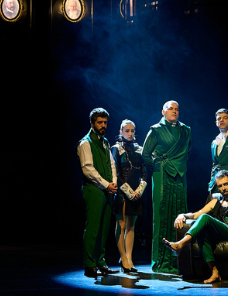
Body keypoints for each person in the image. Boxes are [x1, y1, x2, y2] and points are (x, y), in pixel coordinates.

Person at [163, 170, 228, 284]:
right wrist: (182, 215)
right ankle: (214, 272)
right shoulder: (215, 202)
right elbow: (196, 214)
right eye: (220, 186)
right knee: (201, 230)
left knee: (205, 218)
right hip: (218, 232)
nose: (223, 188)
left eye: (226, 184)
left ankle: (181, 244)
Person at [142, 100, 191, 274]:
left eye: (177, 109)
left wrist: (176, 164)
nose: (174, 111)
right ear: (163, 111)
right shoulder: (156, 130)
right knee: (161, 214)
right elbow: (145, 154)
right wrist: (158, 164)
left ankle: (179, 260)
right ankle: (160, 261)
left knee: (180, 212)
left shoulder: (186, 130)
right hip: (161, 175)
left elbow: (187, 152)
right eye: (171, 109)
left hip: (179, 174)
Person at [77, 108, 119, 278]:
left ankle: (100, 262)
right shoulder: (85, 143)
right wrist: (106, 184)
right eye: (100, 122)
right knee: (93, 227)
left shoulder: (105, 142)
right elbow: (88, 169)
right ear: (92, 123)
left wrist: (113, 183)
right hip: (94, 189)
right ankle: (89, 264)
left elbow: (112, 164)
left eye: (105, 122)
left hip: (107, 189)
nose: (103, 125)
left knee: (104, 228)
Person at [111, 120, 146, 273]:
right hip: (122, 192)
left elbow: (144, 173)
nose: (130, 133)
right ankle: (123, 258)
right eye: (127, 131)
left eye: (132, 131)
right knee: (121, 225)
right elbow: (116, 173)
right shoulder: (116, 149)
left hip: (136, 192)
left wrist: (139, 191)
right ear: (121, 132)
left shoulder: (139, 149)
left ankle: (129, 258)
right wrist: (129, 192)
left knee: (131, 226)